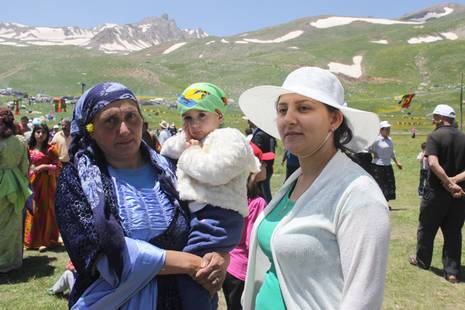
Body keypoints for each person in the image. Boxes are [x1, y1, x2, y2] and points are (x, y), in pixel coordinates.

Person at [55, 82, 229, 309]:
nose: (125, 130)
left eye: (131, 117)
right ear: (91, 130)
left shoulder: (173, 169)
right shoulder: (76, 180)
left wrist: (220, 256)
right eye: (110, 121)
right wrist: (188, 263)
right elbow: (99, 254)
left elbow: (210, 216)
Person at [239, 66, 390, 309]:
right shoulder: (295, 180)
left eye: (304, 107)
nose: (289, 118)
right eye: (282, 109)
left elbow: (363, 300)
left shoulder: (359, 194)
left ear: (334, 119)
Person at [160, 82, 259, 310]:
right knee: (200, 271)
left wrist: (190, 152)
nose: (194, 124)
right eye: (187, 117)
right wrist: (185, 142)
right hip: (204, 215)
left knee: (197, 270)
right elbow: (166, 149)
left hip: (218, 216)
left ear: (218, 115)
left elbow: (216, 171)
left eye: (201, 116)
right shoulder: (199, 138)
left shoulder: (229, 138)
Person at [409, 104, 465, 283]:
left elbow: (432, 163)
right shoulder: (464, 137)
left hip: (436, 193)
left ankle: (422, 261)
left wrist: (448, 182)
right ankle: (452, 272)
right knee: (454, 232)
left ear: (441, 118)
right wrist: (455, 182)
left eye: (434, 117)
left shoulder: (434, 136)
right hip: (459, 195)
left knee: (427, 228)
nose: (433, 120)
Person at [222, 142, 270, 310]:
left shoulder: (231, 196)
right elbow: (252, 243)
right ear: (253, 169)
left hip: (228, 266)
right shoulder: (258, 202)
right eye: (263, 163)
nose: (266, 166)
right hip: (243, 270)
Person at [0, 107, 32, 273]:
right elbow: (25, 165)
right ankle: (11, 261)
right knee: (12, 223)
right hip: (15, 181)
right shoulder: (20, 140)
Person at [24, 124, 61, 252]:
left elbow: (58, 166)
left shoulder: (50, 149)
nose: (40, 135)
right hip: (30, 183)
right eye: (38, 132)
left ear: (47, 134)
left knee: (44, 209)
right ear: (34, 133)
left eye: (43, 132)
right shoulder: (28, 148)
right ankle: (31, 239)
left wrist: (43, 167)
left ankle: (45, 240)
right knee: (31, 208)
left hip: (45, 184)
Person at [369, 121, 402, 209]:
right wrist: (374, 152)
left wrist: (397, 162)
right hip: (378, 165)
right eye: (386, 129)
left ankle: (385, 203)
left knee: (388, 184)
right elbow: (366, 147)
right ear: (381, 130)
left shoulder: (390, 140)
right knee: (380, 184)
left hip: (387, 165)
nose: (388, 131)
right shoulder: (376, 140)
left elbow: (391, 152)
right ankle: (379, 203)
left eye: (389, 129)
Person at [249, 121, 276, 203]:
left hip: (262, 167)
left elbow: (255, 152)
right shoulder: (267, 133)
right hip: (266, 166)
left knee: (263, 190)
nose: (248, 122)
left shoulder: (259, 134)